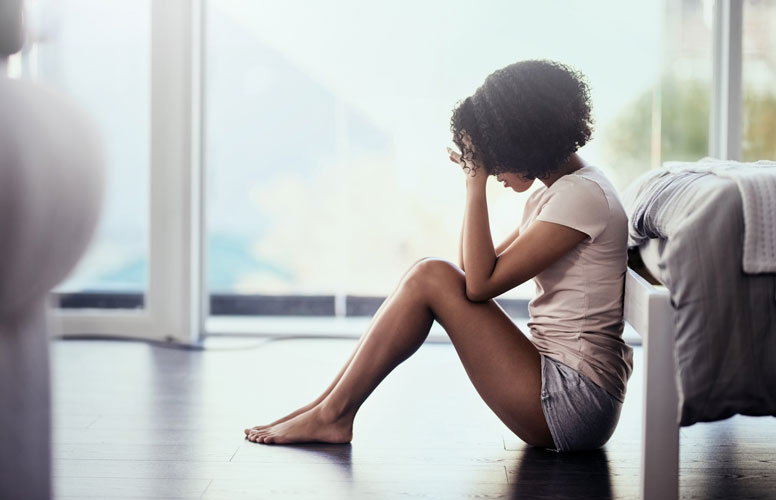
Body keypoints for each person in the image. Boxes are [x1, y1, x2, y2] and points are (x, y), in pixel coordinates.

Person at [244, 60, 633, 452]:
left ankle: (332, 415)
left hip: (573, 400)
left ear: (524, 141)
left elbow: (479, 285)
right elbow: (471, 269)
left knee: (430, 275)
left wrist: (474, 183)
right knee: (429, 273)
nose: (494, 169)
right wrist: (475, 178)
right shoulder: (563, 194)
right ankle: (326, 408)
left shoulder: (580, 197)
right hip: (564, 387)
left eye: (495, 155)